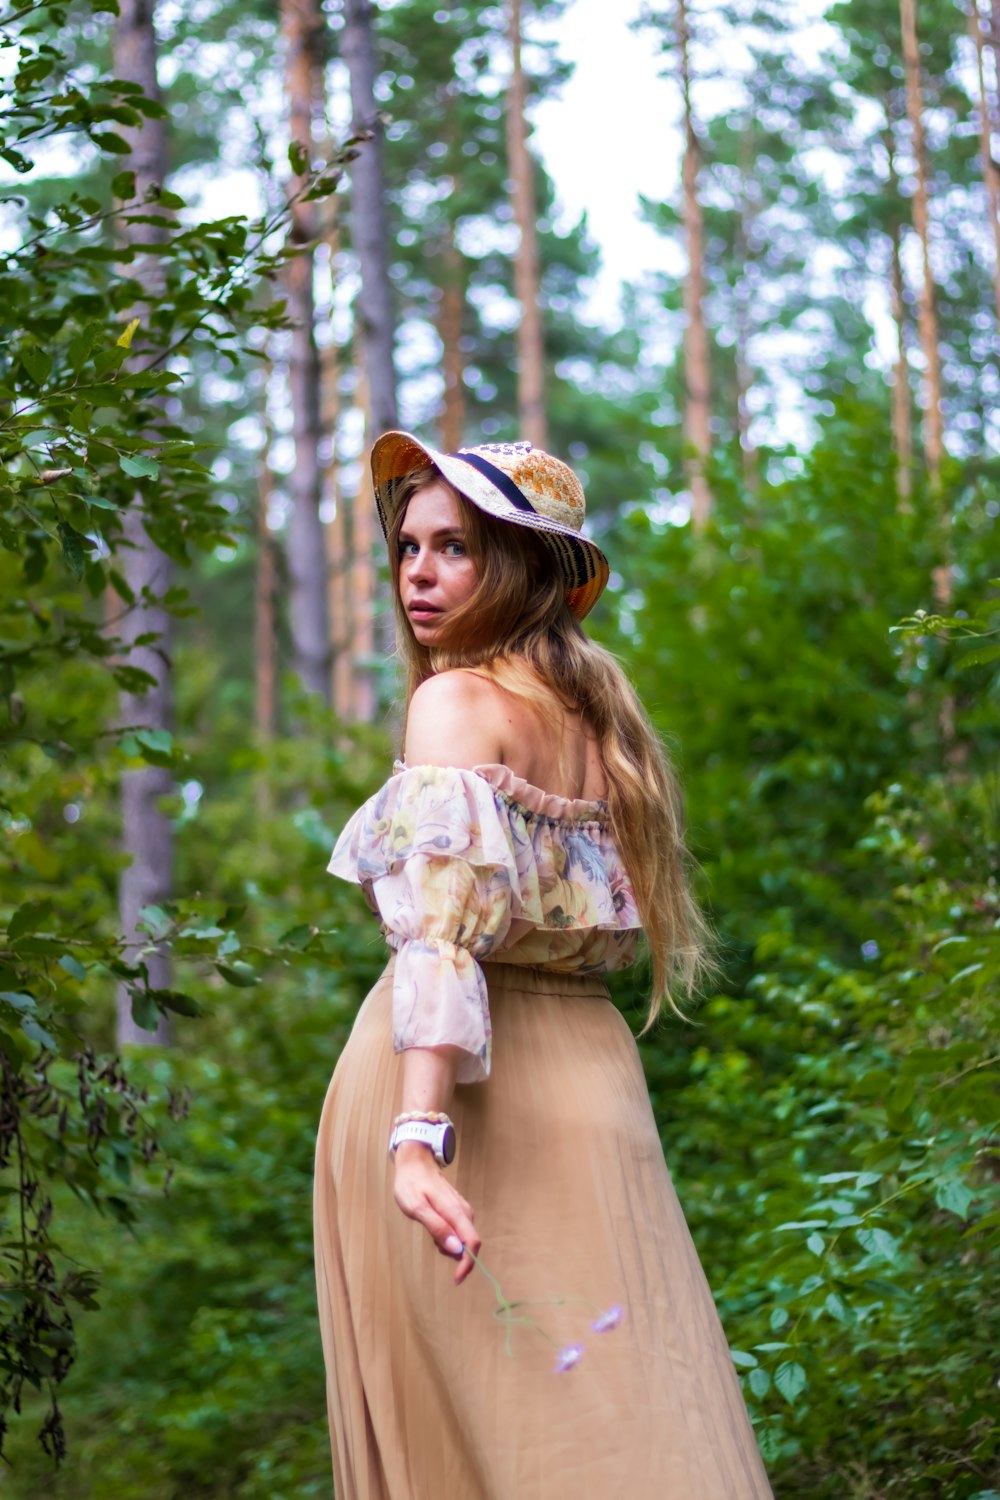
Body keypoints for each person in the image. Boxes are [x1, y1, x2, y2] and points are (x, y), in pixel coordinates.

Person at [313, 431, 774, 1500]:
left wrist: (418, 1137)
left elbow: (440, 934)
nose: (417, 573)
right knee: (631, 1415)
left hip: (461, 1090)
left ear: (519, 567)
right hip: (592, 1075)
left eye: (455, 549)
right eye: (409, 547)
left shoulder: (455, 704)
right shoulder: (601, 727)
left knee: (492, 1445)